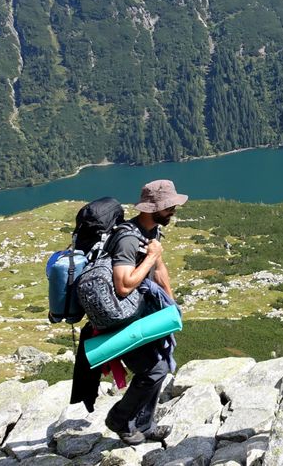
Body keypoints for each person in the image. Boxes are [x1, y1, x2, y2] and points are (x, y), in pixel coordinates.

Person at [103, 178, 187, 444]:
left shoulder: (151, 233)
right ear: (151, 208)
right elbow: (124, 285)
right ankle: (119, 418)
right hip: (121, 317)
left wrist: (171, 308)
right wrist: (150, 256)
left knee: (159, 363)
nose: (173, 211)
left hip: (142, 313)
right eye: (168, 207)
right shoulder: (128, 239)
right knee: (154, 370)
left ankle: (145, 425)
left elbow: (160, 270)